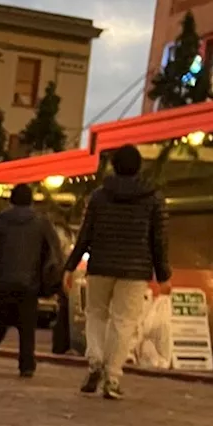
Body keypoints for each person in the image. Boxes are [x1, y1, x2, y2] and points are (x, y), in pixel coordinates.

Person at [62, 144, 171, 400]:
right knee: (124, 322)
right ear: (138, 167)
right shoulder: (154, 198)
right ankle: (112, 377)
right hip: (135, 270)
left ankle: (95, 359)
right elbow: (159, 240)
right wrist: (162, 274)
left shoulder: (100, 196)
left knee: (96, 314)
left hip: (100, 265)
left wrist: (70, 266)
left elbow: (85, 235)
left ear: (114, 166)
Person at [0, 183, 62, 378]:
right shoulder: (41, 223)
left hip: (2, 281)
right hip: (30, 283)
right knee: (27, 325)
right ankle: (26, 363)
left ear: (11, 200)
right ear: (30, 200)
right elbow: (53, 252)